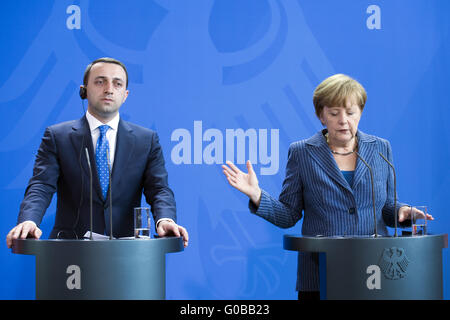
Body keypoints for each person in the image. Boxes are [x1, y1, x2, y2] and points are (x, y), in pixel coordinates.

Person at [222, 74, 433, 300]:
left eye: (351, 112)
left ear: (360, 113)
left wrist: (402, 212)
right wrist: (257, 194)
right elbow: (288, 214)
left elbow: (387, 208)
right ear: (321, 116)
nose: (343, 120)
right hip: (321, 274)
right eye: (334, 113)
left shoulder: (381, 149)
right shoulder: (302, 152)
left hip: (374, 273)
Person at [6, 57, 188, 248]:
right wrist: (29, 220)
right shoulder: (57, 136)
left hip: (127, 253)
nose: (109, 89)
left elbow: (159, 189)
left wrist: (165, 219)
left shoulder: (146, 140)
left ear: (125, 94)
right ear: (84, 90)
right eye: (100, 82)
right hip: (70, 253)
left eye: (117, 84)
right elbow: (41, 185)